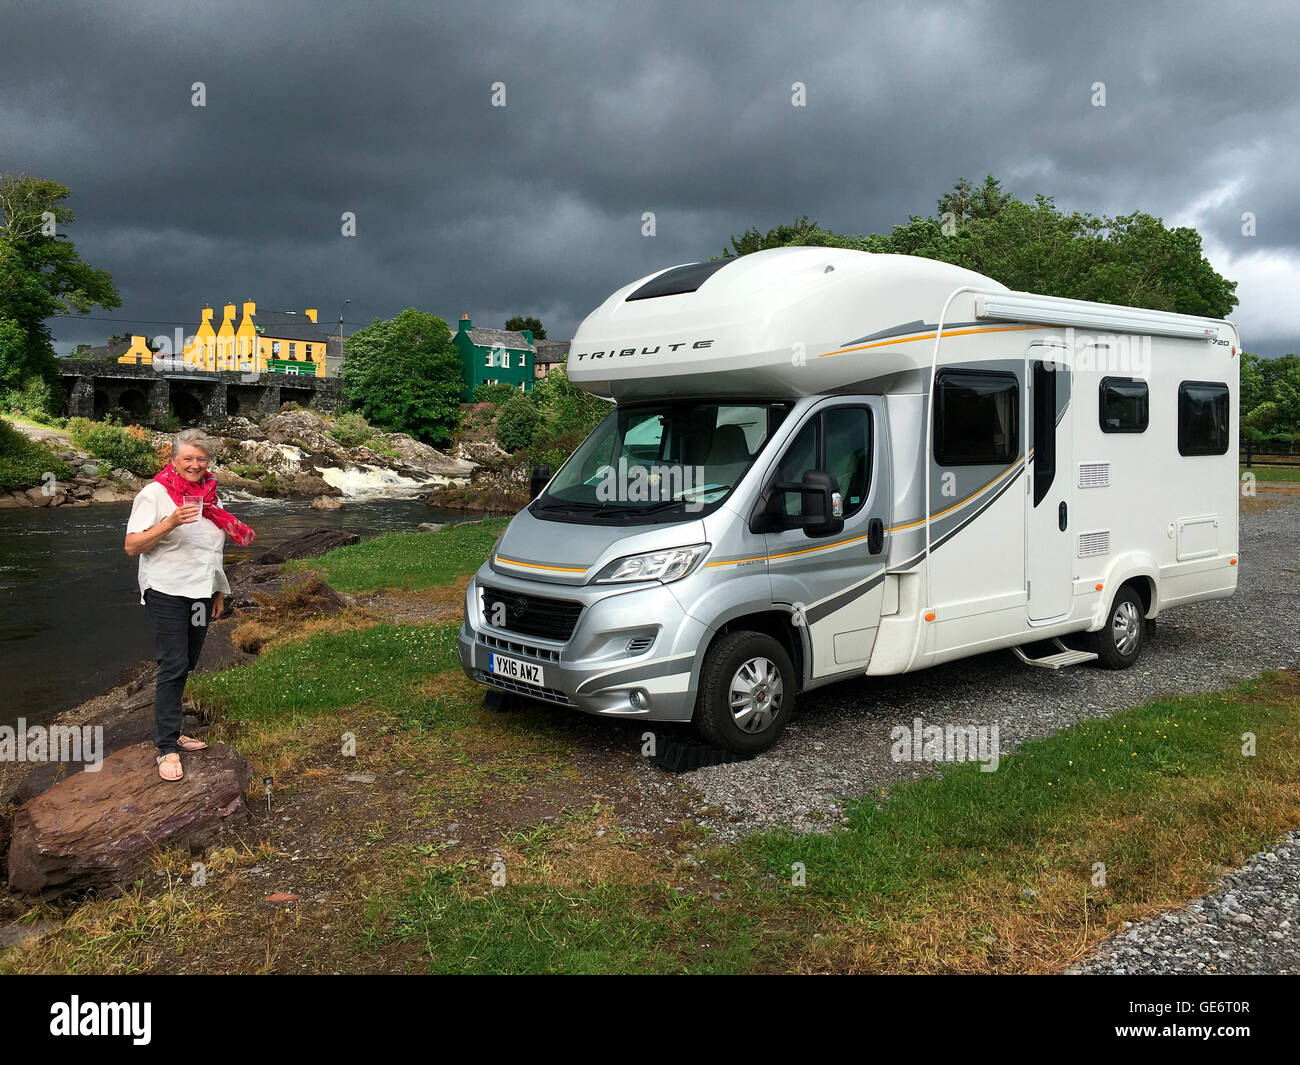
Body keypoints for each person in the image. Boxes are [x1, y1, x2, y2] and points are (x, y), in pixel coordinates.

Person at [124, 428, 256, 780]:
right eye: (188, 459)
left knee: (189, 662)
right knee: (174, 661)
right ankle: (166, 746)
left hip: (200, 591)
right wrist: (169, 523)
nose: (195, 465)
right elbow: (132, 546)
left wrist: (219, 591)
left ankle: (173, 730)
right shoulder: (154, 494)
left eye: (201, 459)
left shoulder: (211, 496)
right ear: (174, 460)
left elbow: (212, 549)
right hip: (165, 588)